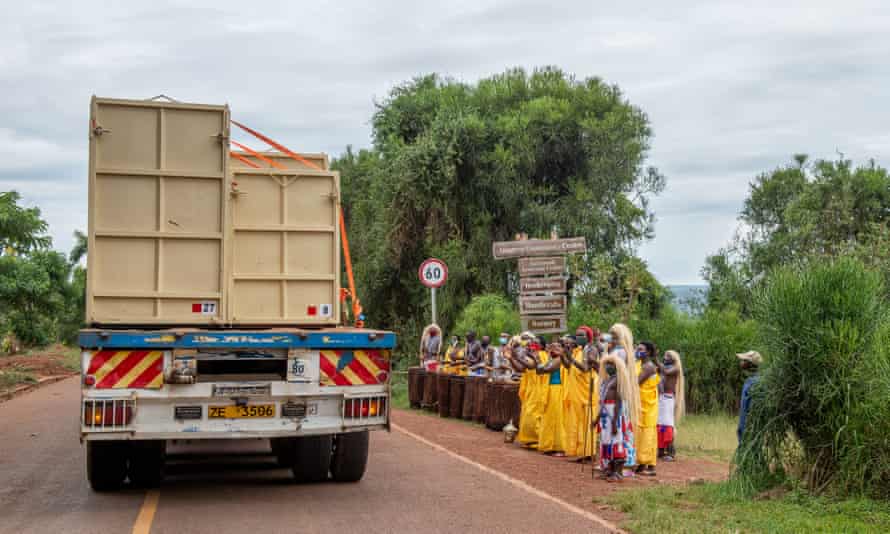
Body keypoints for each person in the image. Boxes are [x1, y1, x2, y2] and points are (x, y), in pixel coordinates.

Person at [594, 354, 636, 482]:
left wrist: (614, 422)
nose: (608, 367)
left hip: (615, 414)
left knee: (617, 442)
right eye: (607, 364)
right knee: (606, 442)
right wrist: (597, 418)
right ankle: (609, 470)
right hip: (606, 414)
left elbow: (619, 402)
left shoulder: (619, 380)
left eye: (611, 364)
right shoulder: (607, 380)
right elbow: (603, 400)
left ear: (617, 366)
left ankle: (618, 472)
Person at [562, 326, 600, 461]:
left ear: (588, 336)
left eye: (581, 335)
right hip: (577, 390)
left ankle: (588, 453)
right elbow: (569, 367)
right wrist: (564, 355)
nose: (578, 338)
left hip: (587, 389)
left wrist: (570, 358)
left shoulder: (591, 349)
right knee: (577, 422)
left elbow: (585, 369)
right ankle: (579, 451)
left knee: (587, 421)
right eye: (577, 335)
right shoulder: (578, 350)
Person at [606, 323, 640, 471]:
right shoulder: (615, 350)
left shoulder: (622, 352)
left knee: (619, 429)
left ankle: (622, 464)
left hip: (619, 392)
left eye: (615, 336)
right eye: (611, 336)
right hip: (612, 389)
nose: (612, 338)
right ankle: (611, 463)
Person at [536, 341, 568, 456]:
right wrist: (539, 361)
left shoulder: (559, 359)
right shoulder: (550, 359)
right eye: (552, 346)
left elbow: (546, 369)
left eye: (557, 346)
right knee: (548, 418)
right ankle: (548, 445)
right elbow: (539, 371)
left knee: (556, 418)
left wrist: (540, 362)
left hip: (557, 390)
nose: (553, 348)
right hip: (549, 389)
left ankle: (559, 447)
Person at [634, 341, 660, 476]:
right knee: (641, 432)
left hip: (648, 404)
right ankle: (641, 463)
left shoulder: (649, 367)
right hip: (640, 403)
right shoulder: (639, 364)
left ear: (648, 352)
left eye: (640, 349)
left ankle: (648, 465)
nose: (637, 350)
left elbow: (637, 382)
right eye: (637, 348)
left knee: (647, 433)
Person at [515, 333, 543, 448]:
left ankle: (537, 439)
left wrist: (518, 357)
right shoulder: (530, 355)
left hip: (539, 389)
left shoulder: (542, 355)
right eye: (532, 342)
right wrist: (511, 357)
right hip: (529, 389)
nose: (533, 344)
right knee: (526, 413)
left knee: (533, 415)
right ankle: (528, 439)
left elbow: (532, 366)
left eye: (536, 343)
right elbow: (520, 368)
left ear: (542, 345)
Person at [657, 349, 685, 461]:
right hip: (662, 397)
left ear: (674, 358)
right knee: (659, 424)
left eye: (668, 356)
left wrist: (655, 359)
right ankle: (660, 450)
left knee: (668, 425)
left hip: (668, 398)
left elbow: (666, 372)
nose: (665, 358)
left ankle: (670, 451)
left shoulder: (676, 368)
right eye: (665, 355)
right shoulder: (665, 367)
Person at [737, 350, 762, 444]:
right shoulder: (756, 380)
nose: (741, 362)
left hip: (748, 428)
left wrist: (744, 428)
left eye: (744, 360)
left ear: (749, 364)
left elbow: (748, 408)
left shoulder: (752, 383)